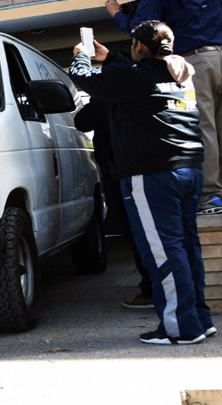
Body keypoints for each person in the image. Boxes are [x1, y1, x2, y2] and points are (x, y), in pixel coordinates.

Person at [69, 21, 213, 345]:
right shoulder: (181, 72)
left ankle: (180, 328)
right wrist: (111, 58)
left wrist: (81, 56)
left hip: (152, 175)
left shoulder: (135, 77)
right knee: (187, 248)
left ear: (140, 47)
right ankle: (199, 319)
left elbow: (85, 79)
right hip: (189, 169)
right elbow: (135, 77)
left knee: (163, 253)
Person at [106, 0, 222, 215]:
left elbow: (141, 29)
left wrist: (116, 13)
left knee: (201, 127)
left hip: (193, 62)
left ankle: (209, 197)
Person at [73, 98, 153, 309]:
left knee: (137, 232)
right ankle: (157, 288)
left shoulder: (112, 92)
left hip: (121, 171)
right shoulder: (136, 90)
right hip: (139, 168)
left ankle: (152, 290)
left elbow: (82, 120)